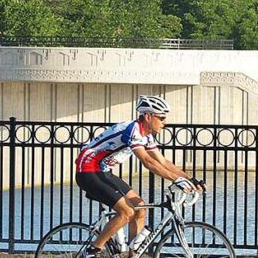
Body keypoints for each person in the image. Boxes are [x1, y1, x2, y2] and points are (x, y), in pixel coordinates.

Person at [74, 95, 205, 257]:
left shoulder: (146, 134)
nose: (165, 122)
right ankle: (92, 251)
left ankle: (133, 254)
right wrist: (177, 180)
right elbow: (147, 162)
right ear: (148, 116)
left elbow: (162, 161)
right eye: (162, 118)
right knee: (127, 212)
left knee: (140, 208)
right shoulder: (133, 130)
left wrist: (189, 179)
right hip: (88, 170)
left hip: (103, 170)